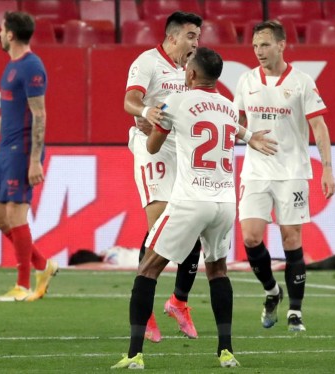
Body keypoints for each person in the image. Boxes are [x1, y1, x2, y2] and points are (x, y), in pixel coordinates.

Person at [112, 46, 244, 370]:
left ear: (191, 74)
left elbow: (153, 147)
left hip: (191, 199)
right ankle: (226, 351)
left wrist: (154, 130)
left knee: (147, 269)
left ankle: (134, 355)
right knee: (218, 271)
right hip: (225, 202)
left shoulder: (179, 101)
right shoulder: (229, 108)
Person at [234, 20, 335, 332]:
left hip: (292, 171)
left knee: (292, 239)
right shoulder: (245, 80)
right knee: (251, 237)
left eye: (264, 45)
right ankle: (271, 291)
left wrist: (328, 168)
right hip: (255, 171)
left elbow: (319, 126)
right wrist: (248, 136)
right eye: (254, 46)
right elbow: (235, 123)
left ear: (281, 45)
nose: (259, 51)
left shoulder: (302, 82)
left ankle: (295, 311)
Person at [124, 11, 203, 342]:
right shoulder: (147, 62)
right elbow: (130, 99)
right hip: (151, 148)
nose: (196, 43)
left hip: (181, 150)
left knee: (193, 224)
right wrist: (146, 112)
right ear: (172, 37)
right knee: (159, 228)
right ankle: (147, 309)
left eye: (198, 37)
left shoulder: (190, 68)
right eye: (190, 37)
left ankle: (179, 301)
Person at [0, 11, 58, 302]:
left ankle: (22, 285)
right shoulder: (11, 66)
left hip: (22, 150)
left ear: (10, 34)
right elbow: (8, 112)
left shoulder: (31, 67)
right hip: (4, 149)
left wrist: (35, 159)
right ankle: (43, 264)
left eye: (1, 30)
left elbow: (40, 114)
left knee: (15, 213)